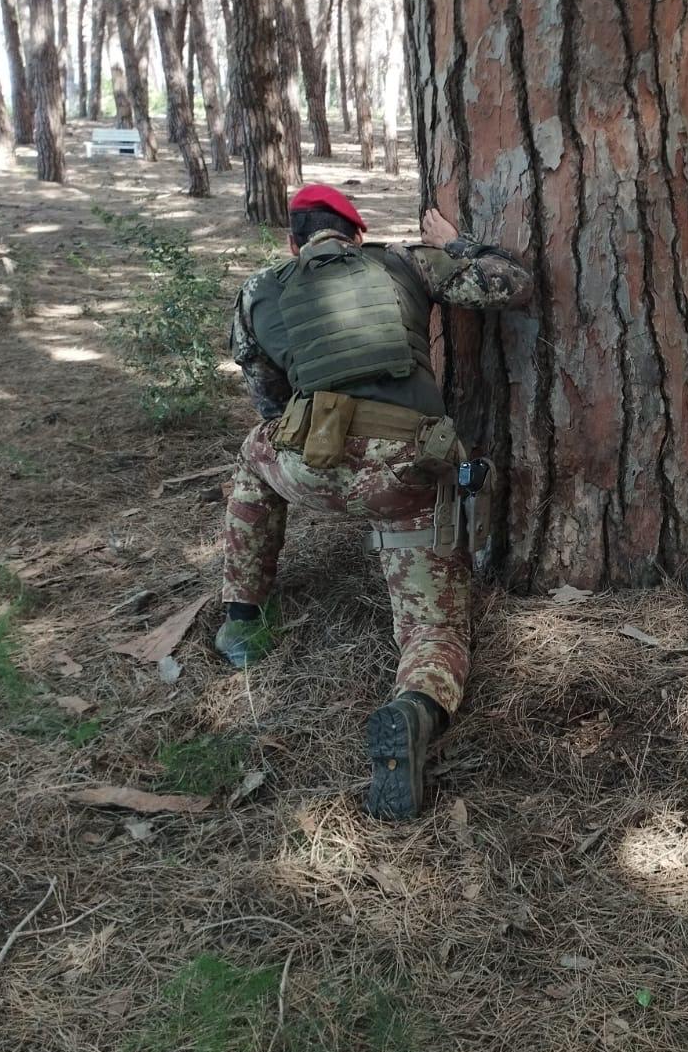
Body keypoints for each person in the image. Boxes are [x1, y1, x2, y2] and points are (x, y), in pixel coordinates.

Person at [216, 183, 532, 821]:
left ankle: (242, 618)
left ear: (293, 241)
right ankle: (414, 708)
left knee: (254, 456)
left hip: (309, 467)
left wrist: (317, 453)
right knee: (434, 628)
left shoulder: (259, 290)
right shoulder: (406, 261)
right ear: (357, 235)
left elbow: (268, 399)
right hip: (405, 474)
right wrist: (456, 245)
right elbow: (511, 283)